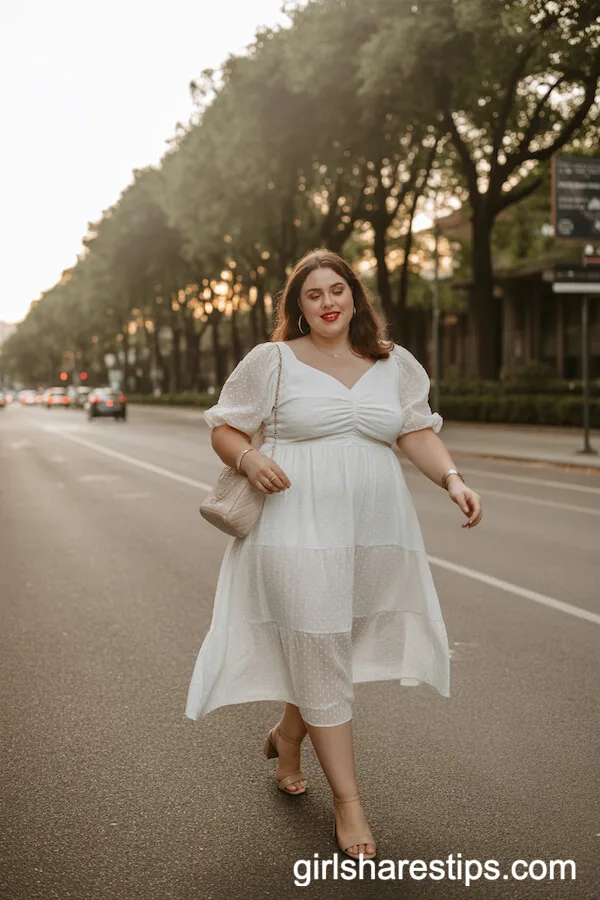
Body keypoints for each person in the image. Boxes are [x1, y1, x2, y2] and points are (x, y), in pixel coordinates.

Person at [185, 248, 482, 860]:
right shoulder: (271, 362)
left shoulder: (392, 362)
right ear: (298, 305)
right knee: (319, 644)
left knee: (330, 642)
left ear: (355, 298)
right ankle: (349, 804)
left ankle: (287, 735)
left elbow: (415, 432)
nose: (327, 302)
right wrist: (249, 456)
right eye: (313, 293)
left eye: (337, 290)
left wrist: (453, 480)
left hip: (373, 528)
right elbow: (224, 426)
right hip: (293, 527)